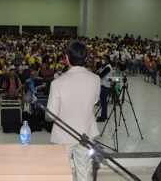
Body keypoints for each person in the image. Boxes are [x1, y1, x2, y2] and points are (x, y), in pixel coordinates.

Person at [47, 41, 100, 181]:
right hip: (86, 132)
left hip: (65, 133)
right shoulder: (95, 79)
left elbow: (51, 114)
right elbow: (94, 101)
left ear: (66, 58)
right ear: (86, 58)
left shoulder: (57, 83)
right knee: (83, 169)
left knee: (60, 170)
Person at [97, 55, 112, 122]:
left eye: (104, 59)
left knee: (103, 101)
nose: (102, 60)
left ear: (107, 60)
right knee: (104, 101)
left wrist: (96, 73)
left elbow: (101, 75)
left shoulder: (108, 67)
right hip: (103, 85)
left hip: (105, 85)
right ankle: (104, 114)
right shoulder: (106, 66)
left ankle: (103, 116)